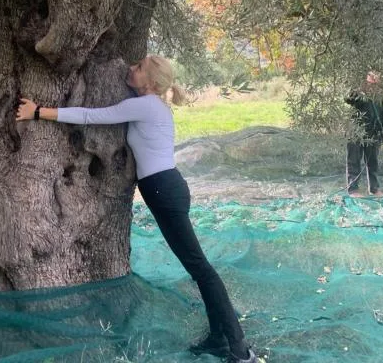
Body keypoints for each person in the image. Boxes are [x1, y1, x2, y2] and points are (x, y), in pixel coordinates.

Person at [16, 55, 258, 363]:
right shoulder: (153, 106)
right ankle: (219, 340)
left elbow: (91, 116)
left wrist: (38, 112)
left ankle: (239, 349)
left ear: (152, 83)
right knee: (198, 268)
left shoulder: (146, 106)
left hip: (164, 191)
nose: (131, 68)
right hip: (166, 188)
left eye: (139, 67)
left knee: (201, 268)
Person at [345, 71, 383, 197]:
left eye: (375, 81)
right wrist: (359, 90)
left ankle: (374, 189)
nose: (372, 84)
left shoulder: (382, 98)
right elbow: (348, 99)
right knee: (354, 161)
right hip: (355, 133)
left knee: (373, 163)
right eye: (370, 80)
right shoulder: (358, 95)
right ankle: (353, 190)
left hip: (374, 134)